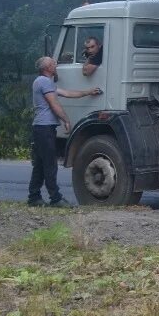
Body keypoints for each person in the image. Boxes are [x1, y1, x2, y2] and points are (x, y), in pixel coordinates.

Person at [29, 56, 100, 207]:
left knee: (41, 164)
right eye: (53, 63)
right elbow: (54, 104)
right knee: (50, 164)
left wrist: (88, 92)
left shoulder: (46, 83)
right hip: (44, 128)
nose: (56, 64)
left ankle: (34, 197)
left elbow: (68, 93)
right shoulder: (43, 81)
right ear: (47, 67)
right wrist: (66, 120)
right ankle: (55, 199)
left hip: (43, 128)